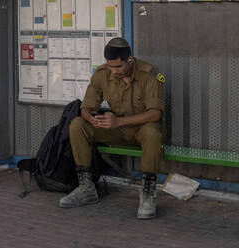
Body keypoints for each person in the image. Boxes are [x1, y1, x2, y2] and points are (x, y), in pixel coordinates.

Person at [59, 37, 165, 219]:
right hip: (115, 130)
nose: (113, 71)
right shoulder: (102, 74)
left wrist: (118, 122)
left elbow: (155, 114)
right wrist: (91, 119)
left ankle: (148, 193)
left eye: (118, 67)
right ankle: (86, 188)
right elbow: (86, 107)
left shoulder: (150, 74)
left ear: (130, 59)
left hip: (139, 130)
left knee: (152, 132)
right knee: (77, 124)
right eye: (110, 66)